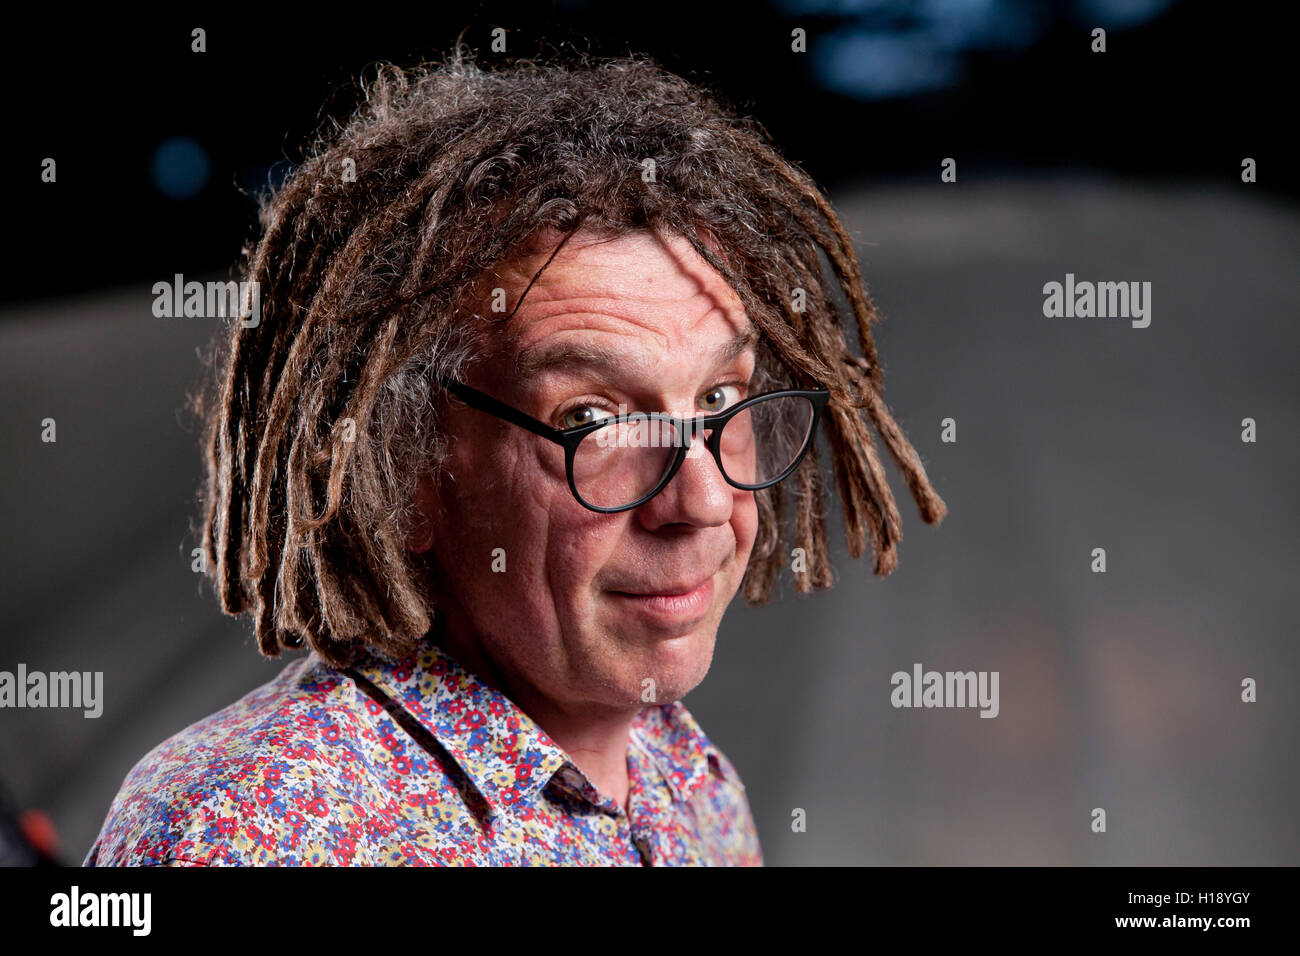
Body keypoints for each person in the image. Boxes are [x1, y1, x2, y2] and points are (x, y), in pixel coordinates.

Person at [85, 49, 946, 866]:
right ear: (404, 469)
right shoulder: (253, 833)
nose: (704, 501)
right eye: (592, 418)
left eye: (720, 399)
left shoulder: (691, 784)